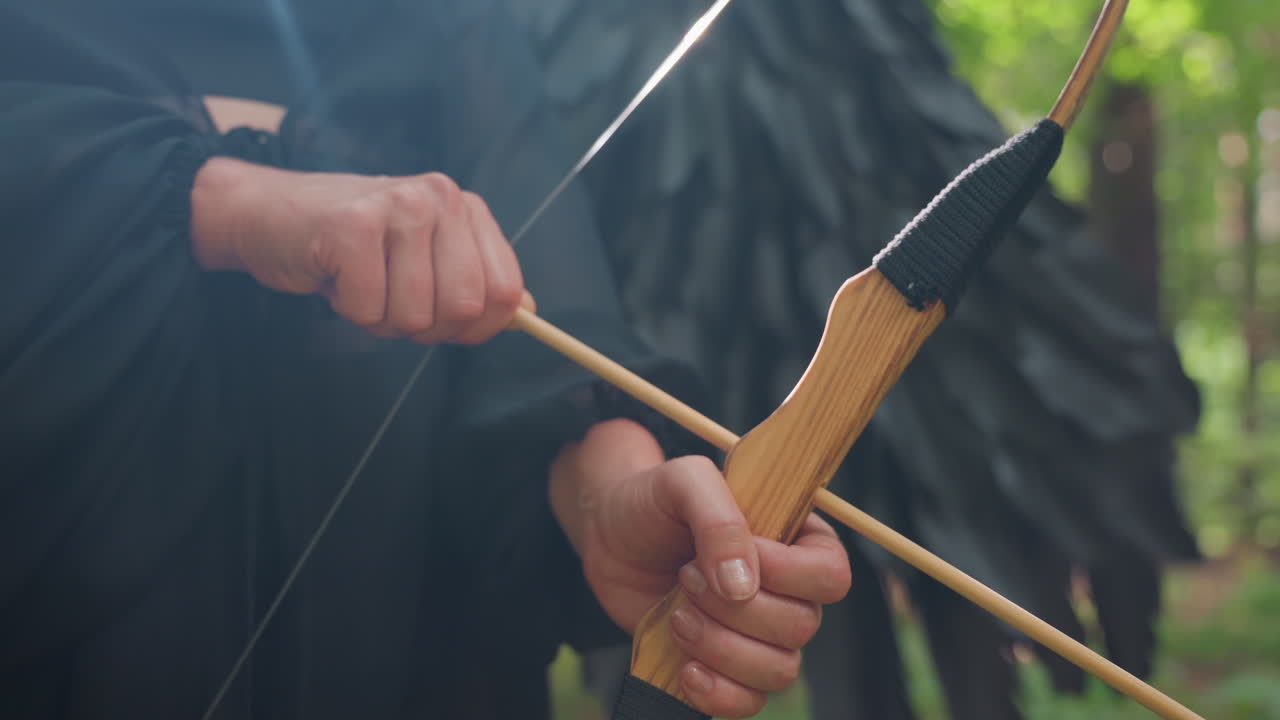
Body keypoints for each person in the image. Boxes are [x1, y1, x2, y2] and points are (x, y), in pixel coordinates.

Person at [0, 1, 850, 718]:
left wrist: (620, 503)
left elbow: (555, 330)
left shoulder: (452, 21)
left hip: (412, 654)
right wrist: (225, 200)